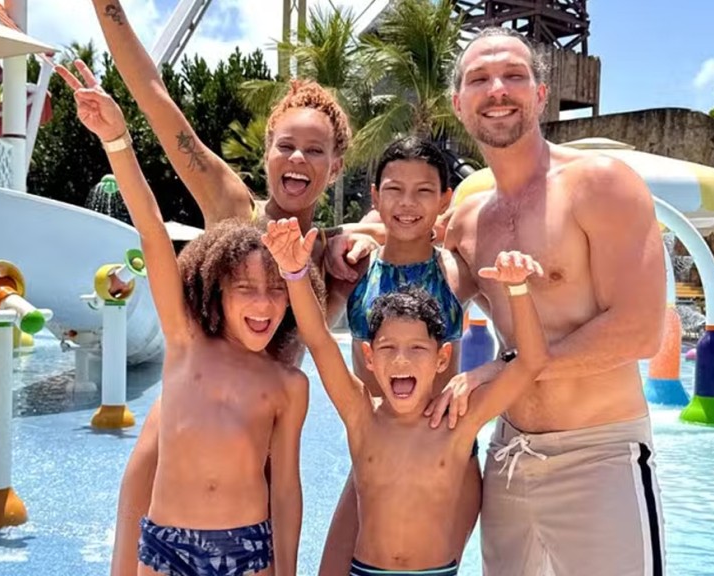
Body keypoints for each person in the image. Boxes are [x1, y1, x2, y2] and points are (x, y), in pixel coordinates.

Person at [84, 4, 375, 572]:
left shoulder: (332, 256)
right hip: (179, 437)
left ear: (336, 167)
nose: (297, 159)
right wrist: (105, 7)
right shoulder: (230, 206)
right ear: (266, 153)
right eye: (285, 146)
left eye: (315, 150)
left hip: (261, 447)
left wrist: (360, 247)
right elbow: (153, 97)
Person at [55, 61, 322, 576]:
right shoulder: (185, 340)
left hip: (248, 549)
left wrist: (286, 570)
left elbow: (287, 489)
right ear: (216, 290)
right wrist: (116, 140)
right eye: (245, 289)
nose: (263, 304)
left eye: (277, 291)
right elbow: (152, 231)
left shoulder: (288, 385)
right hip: (167, 545)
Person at [435, 27, 668, 576]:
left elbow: (640, 330)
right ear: (459, 104)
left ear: (541, 95)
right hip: (508, 460)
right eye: (480, 78)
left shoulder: (599, 184)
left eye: (514, 75)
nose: (497, 89)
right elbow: (419, 293)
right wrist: (359, 240)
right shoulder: (469, 222)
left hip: (600, 456)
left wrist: (505, 369)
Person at [262, 216, 548, 576]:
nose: (401, 359)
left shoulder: (457, 422)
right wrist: (294, 273)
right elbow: (319, 340)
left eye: (417, 348)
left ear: (441, 358)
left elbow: (531, 362)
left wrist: (518, 289)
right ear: (369, 357)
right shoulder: (361, 415)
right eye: (388, 347)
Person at [317, 136, 482, 575]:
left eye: (424, 191)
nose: (407, 203)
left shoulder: (457, 272)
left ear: (445, 200)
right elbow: (308, 329)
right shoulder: (355, 270)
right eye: (394, 189)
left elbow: (520, 336)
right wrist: (338, 239)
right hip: (378, 453)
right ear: (375, 196)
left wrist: (486, 372)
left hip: (447, 463)